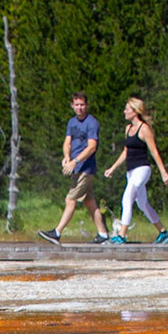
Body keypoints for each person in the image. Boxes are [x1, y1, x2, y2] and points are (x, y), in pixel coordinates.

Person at [102, 96, 168, 244]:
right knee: (142, 204)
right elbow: (126, 151)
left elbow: (154, 152)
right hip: (131, 171)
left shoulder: (144, 129)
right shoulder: (128, 129)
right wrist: (113, 168)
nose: (124, 111)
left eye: (127, 109)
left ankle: (121, 235)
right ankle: (163, 232)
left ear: (135, 111)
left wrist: (163, 172)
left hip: (142, 170)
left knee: (127, 198)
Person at [38, 92, 106, 245]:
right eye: (77, 105)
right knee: (90, 202)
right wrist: (67, 157)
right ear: (72, 105)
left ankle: (57, 232)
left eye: (82, 105)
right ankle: (103, 233)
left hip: (86, 168)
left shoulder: (92, 123)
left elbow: (92, 147)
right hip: (75, 168)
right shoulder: (71, 122)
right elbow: (67, 142)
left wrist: (75, 161)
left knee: (70, 199)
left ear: (86, 105)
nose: (79, 108)